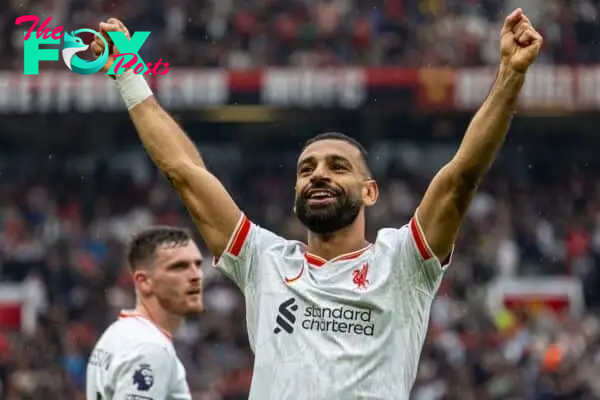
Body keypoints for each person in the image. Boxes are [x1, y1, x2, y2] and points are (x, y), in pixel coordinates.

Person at [92, 8, 542, 399]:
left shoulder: (404, 262)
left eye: (337, 166)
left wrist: (509, 77)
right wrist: (129, 77)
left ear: (370, 191)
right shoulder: (263, 261)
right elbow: (185, 172)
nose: (318, 174)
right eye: (306, 170)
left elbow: (461, 176)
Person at [86, 226, 203, 400]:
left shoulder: (118, 332)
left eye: (197, 264)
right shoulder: (149, 348)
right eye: (179, 267)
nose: (195, 275)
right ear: (144, 282)